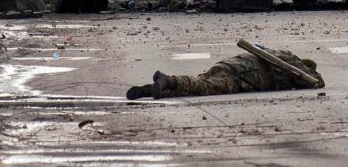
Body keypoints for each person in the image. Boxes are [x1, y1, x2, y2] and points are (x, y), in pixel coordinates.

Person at [126, 46, 322, 100]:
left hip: (229, 65)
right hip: (245, 75)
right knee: (205, 87)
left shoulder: (279, 54)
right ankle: (169, 80)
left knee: (199, 85)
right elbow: (317, 82)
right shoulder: (294, 66)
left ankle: (156, 90)